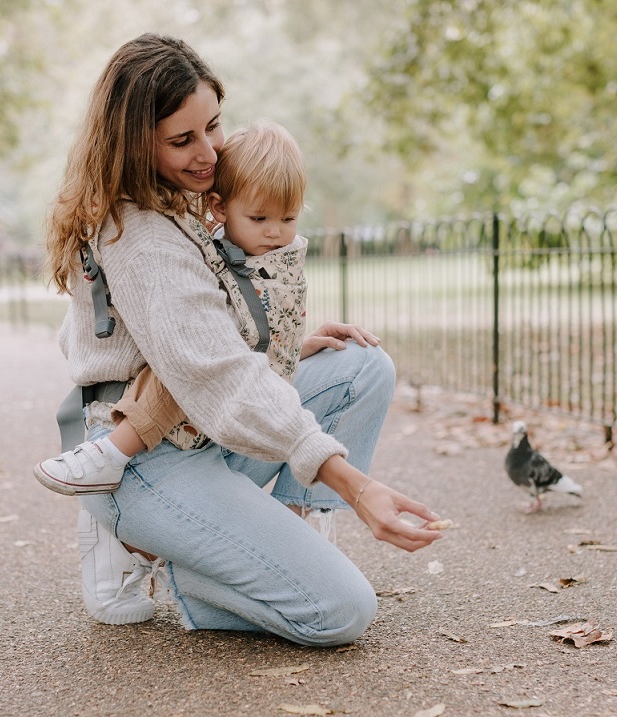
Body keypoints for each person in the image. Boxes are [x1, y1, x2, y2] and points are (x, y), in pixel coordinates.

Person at [44, 33, 442, 645]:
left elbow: (205, 333)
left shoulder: (182, 203)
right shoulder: (143, 235)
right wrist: (352, 485)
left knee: (360, 366)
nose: (210, 152)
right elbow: (218, 376)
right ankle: (172, 562)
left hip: (199, 431)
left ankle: (281, 529)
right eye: (183, 140)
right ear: (133, 143)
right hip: (147, 459)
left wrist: (285, 344)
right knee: (340, 612)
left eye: (213, 126)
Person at [33, 121, 372, 545]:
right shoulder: (194, 248)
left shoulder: (282, 257)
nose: (275, 231)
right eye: (260, 218)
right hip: (184, 383)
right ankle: (113, 453)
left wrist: (297, 347)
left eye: (288, 218)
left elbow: (263, 332)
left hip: (228, 399)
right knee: (179, 372)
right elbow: (206, 348)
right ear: (219, 208)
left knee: (364, 363)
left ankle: (298, 515)